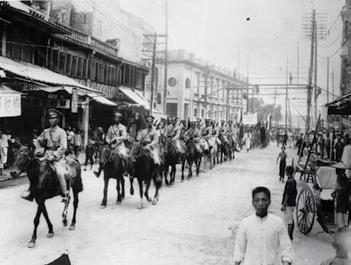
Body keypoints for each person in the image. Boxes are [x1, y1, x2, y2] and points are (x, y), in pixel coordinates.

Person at [233, 186, 293, 265]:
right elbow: (239, 250)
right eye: (257, 200)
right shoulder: (245, 223)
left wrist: (286, 262)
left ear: (269, 202)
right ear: (253, 203)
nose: (260, 203)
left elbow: (286, 248)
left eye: (264, 200)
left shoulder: (278, 223)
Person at [21, 109, 70, 202]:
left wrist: (54, 155)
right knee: (35, 170)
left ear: (57, 120)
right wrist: (40, 150)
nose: (51, 120)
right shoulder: (46, 131)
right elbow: (37, 141)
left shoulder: (62, 132)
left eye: (53, 118)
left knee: (59, 173)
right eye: (50, 118)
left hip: (57, 158)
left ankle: (65, 194)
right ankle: (31, 192)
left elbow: (63, 147)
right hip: (46, 155)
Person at [94, 111, 127, 178]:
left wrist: (116, 139)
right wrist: (109, 141)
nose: (116, 119)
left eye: (117, 118)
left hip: (119, 146)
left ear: (120, 119)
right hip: (111, 145)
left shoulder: (123, 127)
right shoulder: (111, 127)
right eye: (115, 118)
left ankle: (125, 170)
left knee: (124, 156)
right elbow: (107, 136)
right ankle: (99, 171)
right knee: (103, 153)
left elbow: (124, 137)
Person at [281, 165, 297, 240]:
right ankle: (291, 235)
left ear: (287, 172)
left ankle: (289, 236)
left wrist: (284, 204)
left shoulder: (289, 182)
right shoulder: (294, 181)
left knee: (289, 221)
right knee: (291, 219)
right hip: (293, 202)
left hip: (289, 203)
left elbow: (287, 194)